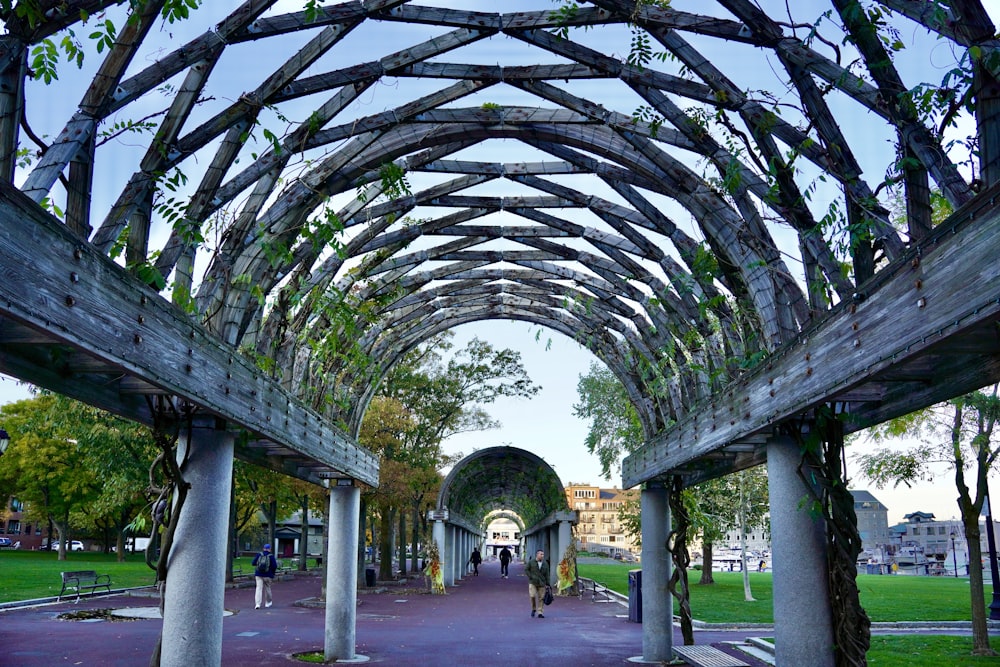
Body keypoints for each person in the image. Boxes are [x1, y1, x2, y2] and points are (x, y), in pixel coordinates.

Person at [525, 548, 549, 618]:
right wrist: (530, 576)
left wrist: (547, 583)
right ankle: (533, 608)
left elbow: (547, 574)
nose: (542, 556)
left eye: (543, 554)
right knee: (532, 596)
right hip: (533, 582)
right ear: (537, 555)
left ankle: (540, 612)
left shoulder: (545, 564)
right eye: (541, 554)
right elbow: (526, 569)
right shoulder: (531, 562)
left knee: (541, 598)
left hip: (542, 583)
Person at [252, 543, 278, 609]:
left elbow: (253, 563)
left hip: (258, 574)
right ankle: (268, 602)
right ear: (269, 549)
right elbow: (274, 566)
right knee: (267, 588)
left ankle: (257, 604)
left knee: (258, 588)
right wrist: (272, 573)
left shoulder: (259, 555)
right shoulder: (271, 556)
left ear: (263, 548)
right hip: (268, 575)